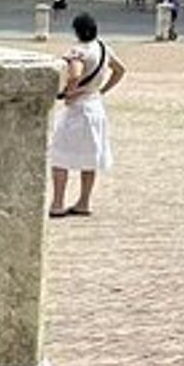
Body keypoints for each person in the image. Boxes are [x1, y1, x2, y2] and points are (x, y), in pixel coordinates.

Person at [49, 13, 125, 218]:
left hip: (78, 108)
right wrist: (102, 90)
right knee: (90, 157)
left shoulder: (78, 51)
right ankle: (84, 201)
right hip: (95, 104)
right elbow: (120, 70)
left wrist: (69, 91)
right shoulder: (103, 47)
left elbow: (74, 74)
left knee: (59, 155)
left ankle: (57, 202)